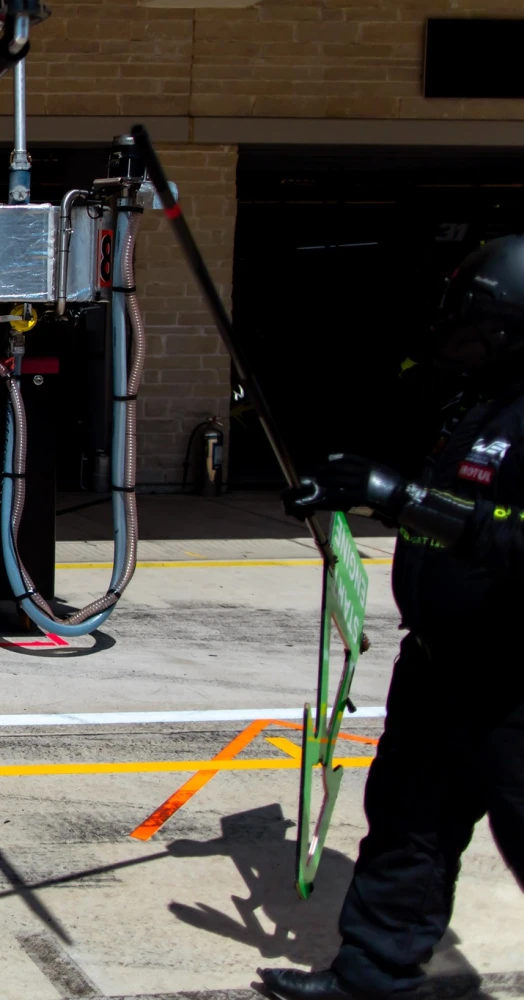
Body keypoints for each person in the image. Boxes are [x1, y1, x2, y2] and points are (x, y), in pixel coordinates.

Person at [263, 236, 524, 1000]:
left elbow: (506, 531)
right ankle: (373, 974)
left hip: (513, 683)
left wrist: (408, 500)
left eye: (474, 323)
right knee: (409, 823)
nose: (456, 336)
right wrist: (354, 491)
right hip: (443, 666)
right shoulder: (479, 405)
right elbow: (449, 508)